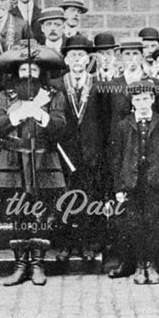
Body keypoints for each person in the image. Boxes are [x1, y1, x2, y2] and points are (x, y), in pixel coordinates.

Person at [0, 43, 67, 287]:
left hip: (43, 157)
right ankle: (20, 264)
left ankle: (37, 264)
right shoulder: (6, 96)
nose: (28, 74)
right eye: (24, 70)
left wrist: (41, 115)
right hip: (13, 159)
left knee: (41, 210)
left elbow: (60, 125)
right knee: (17, 211)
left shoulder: (54, 96)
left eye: (33, 70)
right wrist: (20, 114)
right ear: (16, 72)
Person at [109, 80, 159, 285]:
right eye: (138, 99)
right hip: (132, 182)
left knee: (154, 223)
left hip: (155, 181)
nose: (142, 102)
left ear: (153, 99)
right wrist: (119, 186)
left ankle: (152, 265)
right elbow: (117, 158)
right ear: (132, 101)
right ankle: (139, 265)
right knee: (134, 224)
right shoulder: (123, 125)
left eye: (146, 98)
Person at [58, 36, 104, 261]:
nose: (77, 60)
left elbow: (103, 121)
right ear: (66, 60)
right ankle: (66, 245)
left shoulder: (98, 85)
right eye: (73, 55)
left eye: (81, 55)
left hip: (90, 151)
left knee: (88, 196)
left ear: (88, 59)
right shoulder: (57, 84)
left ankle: (86, 244)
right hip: (64, 152)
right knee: (66, 197)